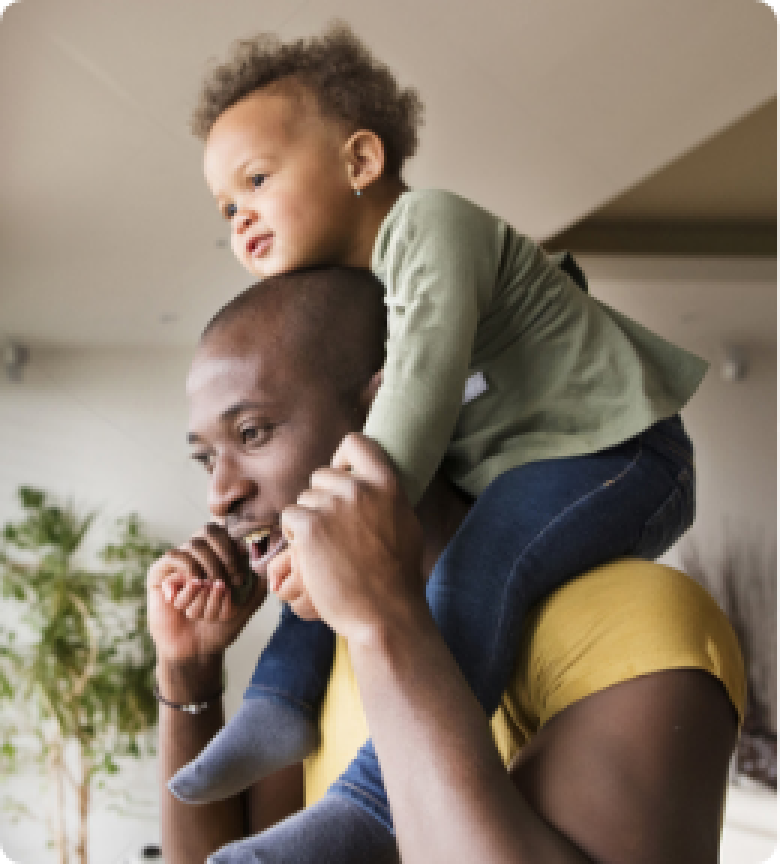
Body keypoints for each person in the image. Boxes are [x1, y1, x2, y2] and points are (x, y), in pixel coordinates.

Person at [167, 23, 714, 858]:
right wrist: (190, 682)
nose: (221, 491)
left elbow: (420, 392)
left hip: (617, 457)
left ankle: (368, 805)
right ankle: (274, 701)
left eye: (259, 181)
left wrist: (345, 536)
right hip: (527, 476)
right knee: (338, 556)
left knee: (465, 565)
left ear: (360, 162)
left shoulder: (430, 230)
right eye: (229, 207)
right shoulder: (357, 636)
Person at [148, 266, 744, 863]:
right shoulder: (328, 647)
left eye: (252, 434)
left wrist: (385, 621)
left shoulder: (632, 620)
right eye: (206, 459)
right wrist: (188, 674)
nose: (218, 495)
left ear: (384, 414)